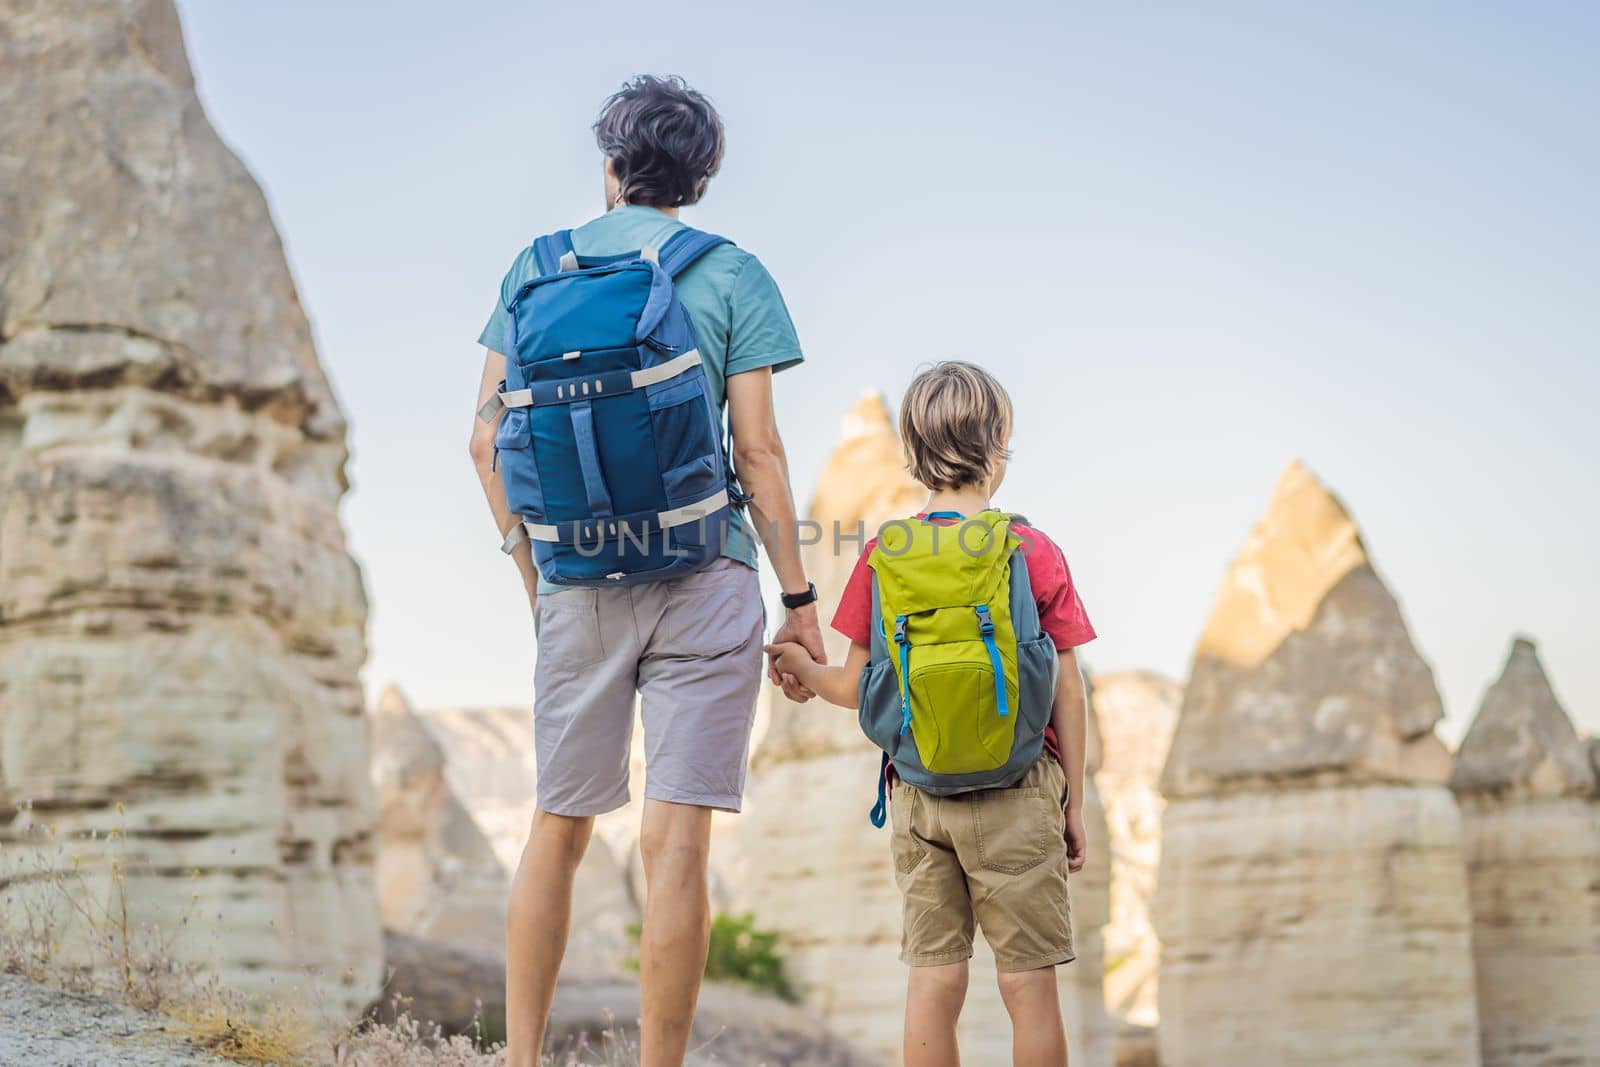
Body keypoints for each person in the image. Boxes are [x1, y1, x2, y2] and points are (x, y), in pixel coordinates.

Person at [468, 75, 824, 1067]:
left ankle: (522, 1057)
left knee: (559, 823)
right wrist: (797, 598)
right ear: (701, 177)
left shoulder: (536, 269)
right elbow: (757, 453)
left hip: (576, 575)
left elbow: (482, 442)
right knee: (678, 846)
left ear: (611, 168)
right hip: (704, 574)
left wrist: (530, 569)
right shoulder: (730, 272)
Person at [766, 361, 1095, 1067]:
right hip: (1020, 788)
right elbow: (1069, 687)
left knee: (935, 977)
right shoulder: (1031, 550)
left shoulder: (886, 555)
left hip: (919, 795)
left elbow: (855, 686)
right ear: (999, 446)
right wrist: (1075, 802)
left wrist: (798, 667)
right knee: (1028, 983)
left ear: (913, 458)